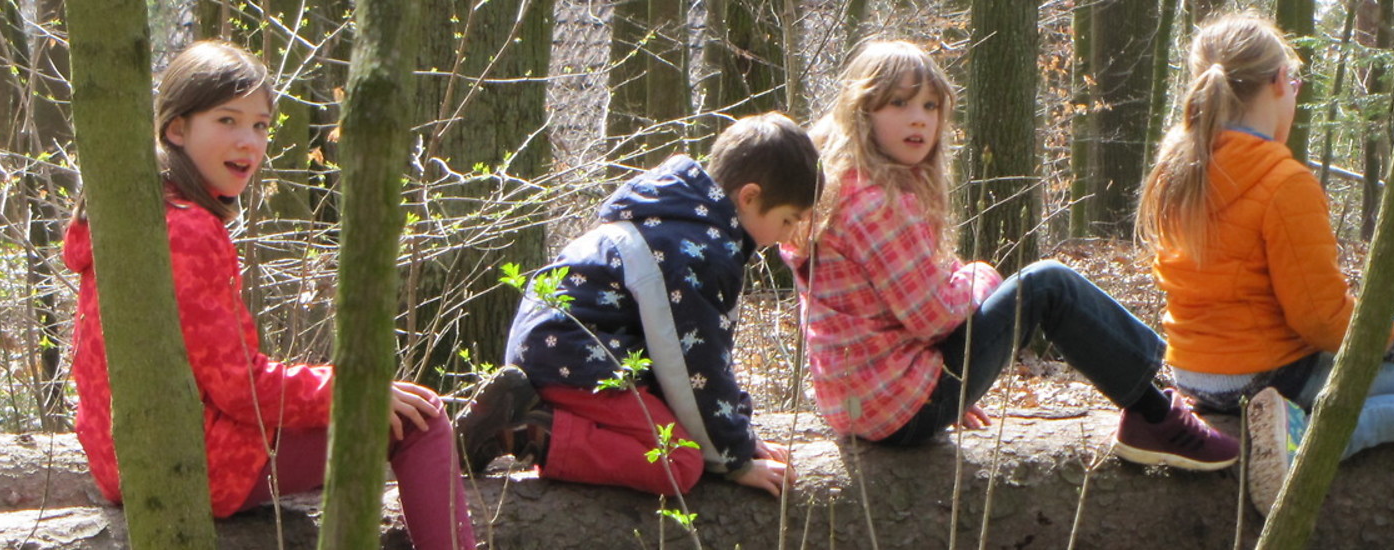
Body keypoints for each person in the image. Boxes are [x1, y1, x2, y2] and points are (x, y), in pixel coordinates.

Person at [63, 41, 475, 550]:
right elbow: (240, 389)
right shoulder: (186, 230)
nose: (248, 142)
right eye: (227, 120)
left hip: (127, 461)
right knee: (423, 420)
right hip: (193, 465)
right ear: (176, 129)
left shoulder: (133, 214)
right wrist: (354, 390)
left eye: (259, 126)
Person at [778, 39, 1239, 471]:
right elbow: (933, 316)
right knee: (1048, 286)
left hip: (867, 405)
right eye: (899, 103)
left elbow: (896, 308)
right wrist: (981, 277)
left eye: (930, 105)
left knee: (1041, 285)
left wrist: (941, 382)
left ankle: (1166, 388)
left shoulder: (845, 187)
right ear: (862, 111)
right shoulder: (875, 202)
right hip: (900, 408)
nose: (918, 118)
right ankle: (1159, 414)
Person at [1136, 14, 1394, 515]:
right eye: (1295, 79)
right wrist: (1392, 339)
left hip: (1194, 373)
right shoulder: (1284, 181)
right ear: (1281, 82)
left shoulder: (1180, 166)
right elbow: (1319, 317)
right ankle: (1309, 443)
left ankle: (1291, 420)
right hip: (1267, 372)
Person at [456, 112, 818, 497]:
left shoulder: (677, 219)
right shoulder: (696, 253)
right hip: (574, 358)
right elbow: (692, 367)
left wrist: (742, 434)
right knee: (678, 462)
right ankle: (524, 431)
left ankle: (531, 415)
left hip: (564, 348)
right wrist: (733, 458)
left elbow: (710, 358)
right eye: (787, 220)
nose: (789, 235)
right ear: (749, 197)